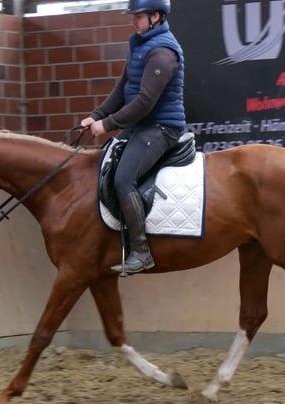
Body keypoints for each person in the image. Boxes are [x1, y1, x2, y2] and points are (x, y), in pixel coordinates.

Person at [81, 0, 186, 274]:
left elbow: (144, 102)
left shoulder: (163, 52)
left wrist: (108, 123)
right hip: (141, 126)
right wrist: (97, 114)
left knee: (123, 177)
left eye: (138, 16)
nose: (133, 20)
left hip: (161, 127)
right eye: (134, 16)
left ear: (156, 16)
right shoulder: (140, 44)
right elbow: (122, 88)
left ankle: (141, 251)